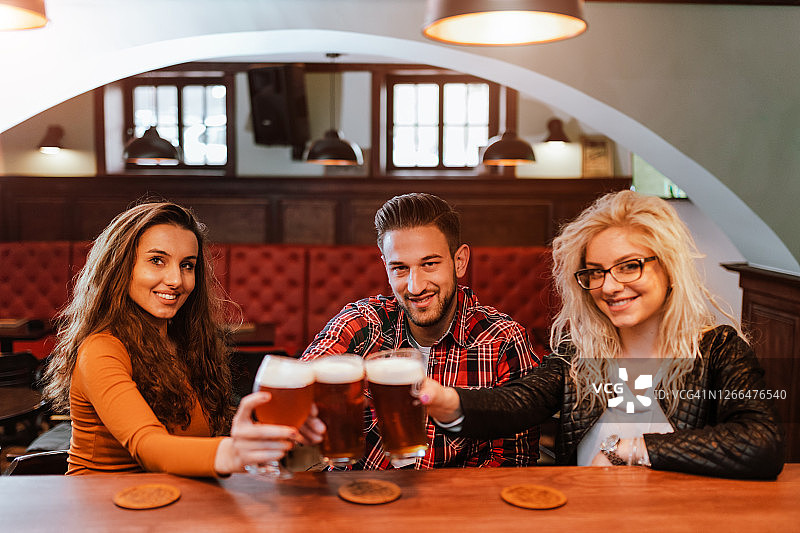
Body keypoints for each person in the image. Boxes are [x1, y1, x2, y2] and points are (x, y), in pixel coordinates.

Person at [421, 190, 785, 479]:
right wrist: (449, 401)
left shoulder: (718, 350)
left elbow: (762, 442)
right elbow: (519, 402)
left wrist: (632, 449)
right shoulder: (578, 352)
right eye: (595, 272)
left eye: (629, 266)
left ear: (669, 268)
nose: (609, 286)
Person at [42, 201, 323, 476]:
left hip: (173, 496)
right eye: (157, 261)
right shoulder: (101, 348)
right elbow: (150, 447)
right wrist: (236, 453)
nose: (176, 280)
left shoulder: (185, 342)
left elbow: (202, 439)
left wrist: (282, 432)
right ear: (120, 267)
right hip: (102, 502)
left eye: (187, 265)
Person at [301, 193, 539, 469]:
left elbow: (512, 460)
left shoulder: (503, 340)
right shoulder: (364, 322)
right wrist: (305, 402)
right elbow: (308, 371)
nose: (416, 286)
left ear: (459, 261)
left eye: (429, 264)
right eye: (400, 268)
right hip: (360, 492)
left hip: (457, 495)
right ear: (386, 267)